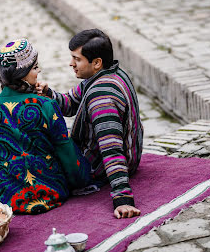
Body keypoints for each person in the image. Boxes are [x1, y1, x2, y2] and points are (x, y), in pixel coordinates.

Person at [0, 39, 91, 214]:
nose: (39, 71)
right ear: (23, 73)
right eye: (35, 67)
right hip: (50, 190)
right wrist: (82, 178)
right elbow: (64, 149)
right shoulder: (45, 105)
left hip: (5, 197)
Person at [37, 29, 143, 219]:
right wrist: (49, 94)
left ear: (96, 63)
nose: (71, 64)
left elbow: (111, 149)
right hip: (131, 156)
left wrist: (122, 198)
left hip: (97, 168)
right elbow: (69, 104)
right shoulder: (107, 74)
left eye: (77, 59)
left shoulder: (102, 96)